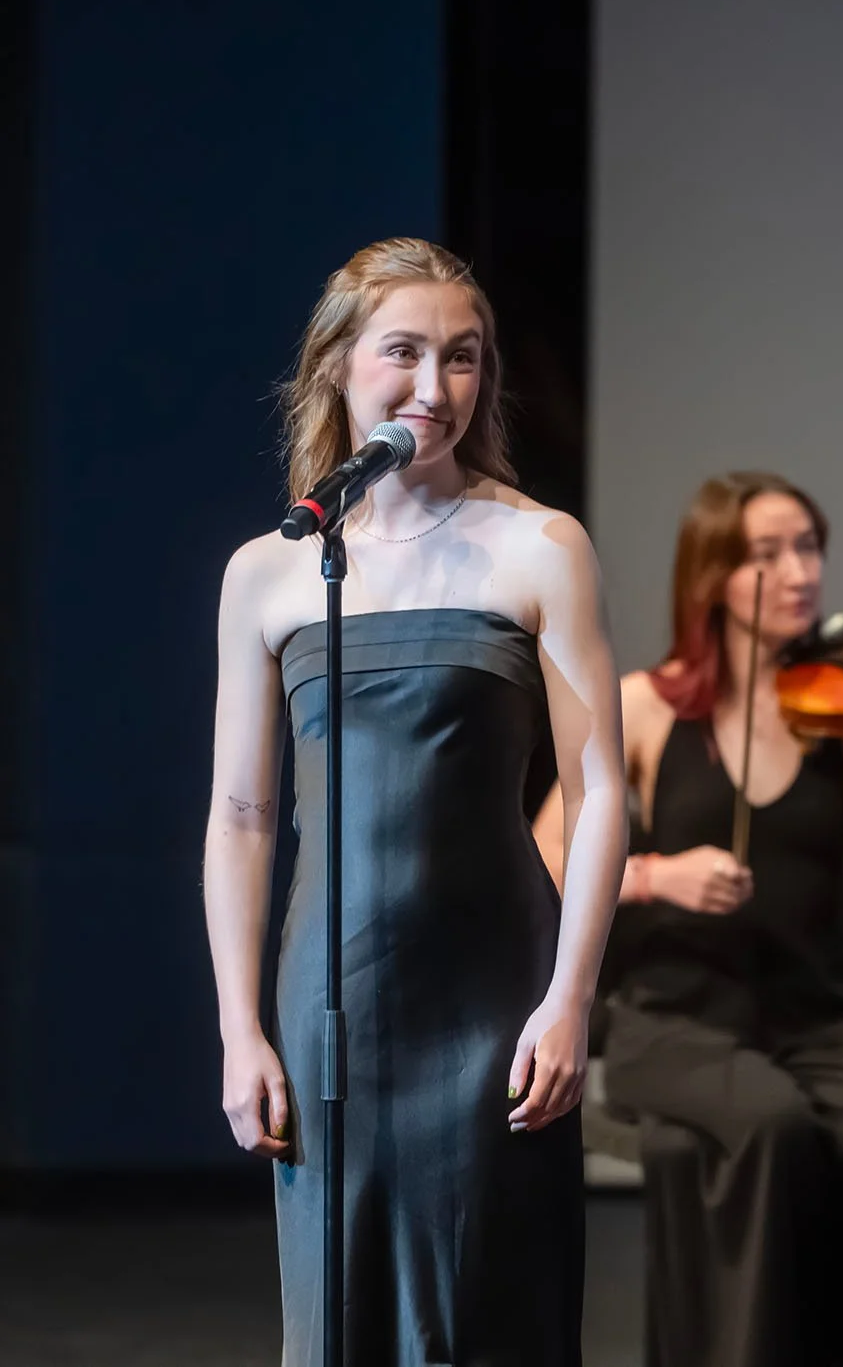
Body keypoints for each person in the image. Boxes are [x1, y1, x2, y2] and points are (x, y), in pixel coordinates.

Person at [202, 237, 627, 1367]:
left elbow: (598, 789)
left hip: (495, 996)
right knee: (337, 1313)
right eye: (404, 352)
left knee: (492, 1311)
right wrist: (241, 1028)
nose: (434, 387)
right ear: (337, 365)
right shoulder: (272, 569)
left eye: (463, 356)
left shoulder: (540, 545)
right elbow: (241, 817)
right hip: (330, 994)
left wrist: (570, 998)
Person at [534, 471, 843, 1367]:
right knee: (770, 1124)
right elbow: (548, 856)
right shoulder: (646, 706)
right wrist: (654, 877)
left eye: (809, 548)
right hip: (679, 1020)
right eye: (768, 555)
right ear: (712, 576)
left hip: (820, 1021)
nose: (800, 573)